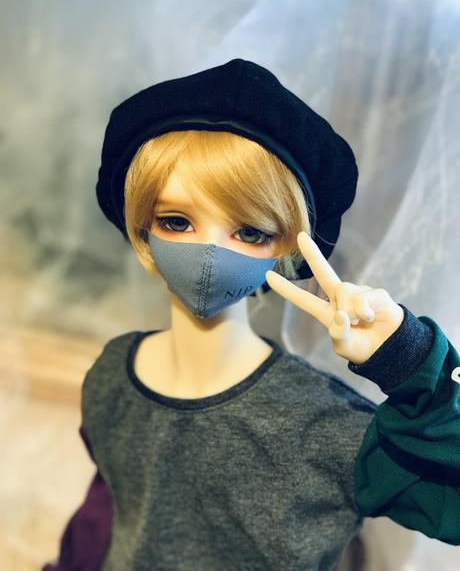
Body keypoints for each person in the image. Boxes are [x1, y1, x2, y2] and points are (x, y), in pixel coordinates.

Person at [43, 59, 460, 571]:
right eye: (176, 221)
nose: (209, 255)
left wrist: (411, 362)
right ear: (142, 227)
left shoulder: (326, 427)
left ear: (286, 248)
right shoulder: (111, 377)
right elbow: (111, 506)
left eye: (249, 232)